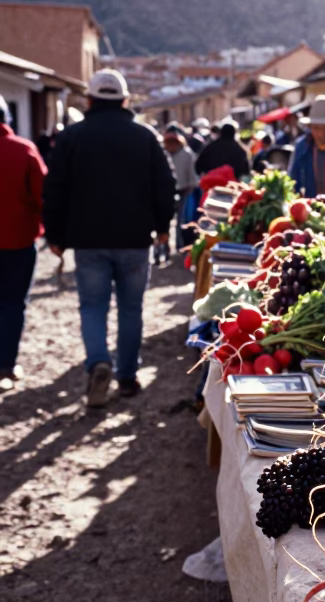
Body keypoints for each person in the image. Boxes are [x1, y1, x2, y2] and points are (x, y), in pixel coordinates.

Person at [42, 69, 176, 406]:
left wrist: (55, 236)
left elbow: (55, 190)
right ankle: (127, 378)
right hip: (134, 239)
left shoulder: (71, 137)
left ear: (89, 100)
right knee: (131, 310)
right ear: (125, 100)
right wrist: (162, 227)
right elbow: (165, 185)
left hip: (88, 241)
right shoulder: (144, 137)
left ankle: (99, 362)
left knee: (92, 307)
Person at [0, 94, 48, 391]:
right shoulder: (24, 149)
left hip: (18, 237)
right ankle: (5, 364)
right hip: (18, 239)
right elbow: (43, 196)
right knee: (13, 303)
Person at [163, 126, 198, 253]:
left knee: (180, 220)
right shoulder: (163, 154)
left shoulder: (187, 154)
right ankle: (164, 247)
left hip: (184, 190)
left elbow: (192, 175)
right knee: (165, 220)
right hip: (166, 191)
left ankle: (179, 245)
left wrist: (191, 187)